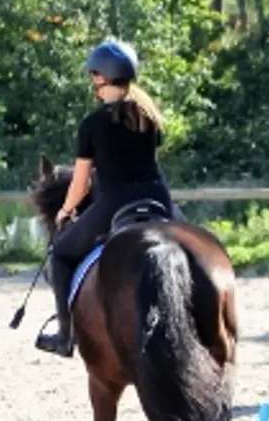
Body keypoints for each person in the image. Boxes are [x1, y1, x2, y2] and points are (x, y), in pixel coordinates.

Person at [36, 39, 175, 356]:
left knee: (60, 254)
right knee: (193, 245)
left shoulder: (92, 124)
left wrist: (66, 211)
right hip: (160, 199)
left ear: (101, 77)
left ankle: (65, 334)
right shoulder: (149, 117)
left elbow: (82, 183)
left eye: (93, 76)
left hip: (116, 202)